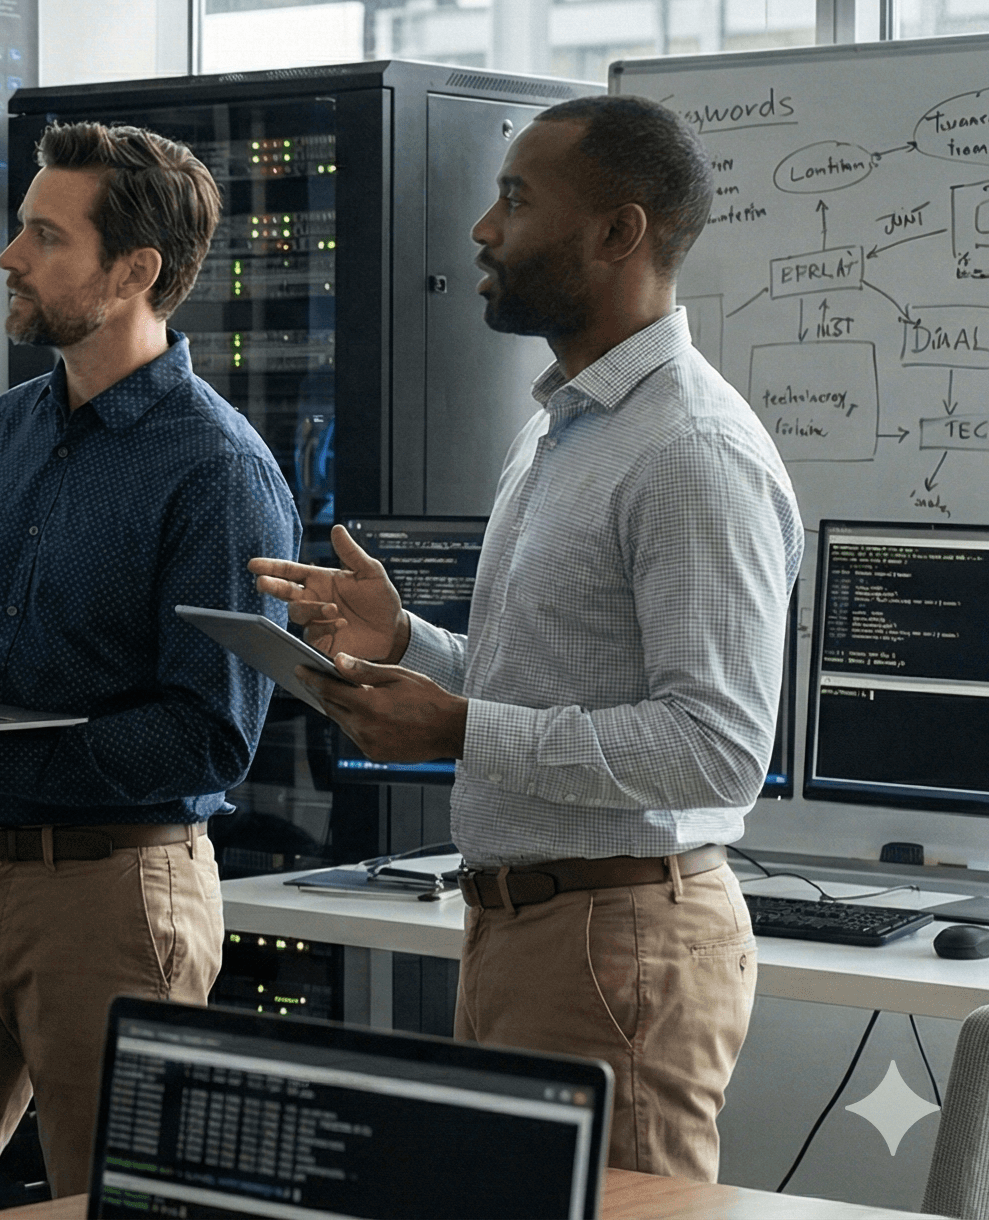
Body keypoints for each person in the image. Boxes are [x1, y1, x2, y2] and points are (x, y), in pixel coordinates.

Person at [251, 94, 800, 1180]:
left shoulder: (689, 450)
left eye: (514, 200)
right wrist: (406, 644)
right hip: (532, 928)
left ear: (617, 232)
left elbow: (718, 749)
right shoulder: (564, 426)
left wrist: (457, 728)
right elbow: (544, 688)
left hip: (613, 938)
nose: (480, 230)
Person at [0, 122, 299, 1216]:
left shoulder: (219, 470)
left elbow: (209, 736)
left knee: (115, 1208)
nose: (9, 256)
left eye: (44, 235)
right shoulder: (4, 429)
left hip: (113, 900)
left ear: (133, 273)